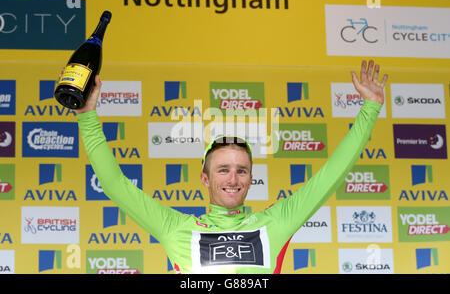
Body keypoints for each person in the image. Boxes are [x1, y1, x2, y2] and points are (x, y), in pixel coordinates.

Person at [76, 60, 388, 274]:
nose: (233, 178)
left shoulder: (276, 222)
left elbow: (332, 174)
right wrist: (87, 115)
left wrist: (370, 107)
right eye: (223, 169)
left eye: (241, 170)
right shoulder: (176, 228)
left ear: (251, 178)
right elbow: (115, 184)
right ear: (204, 178)